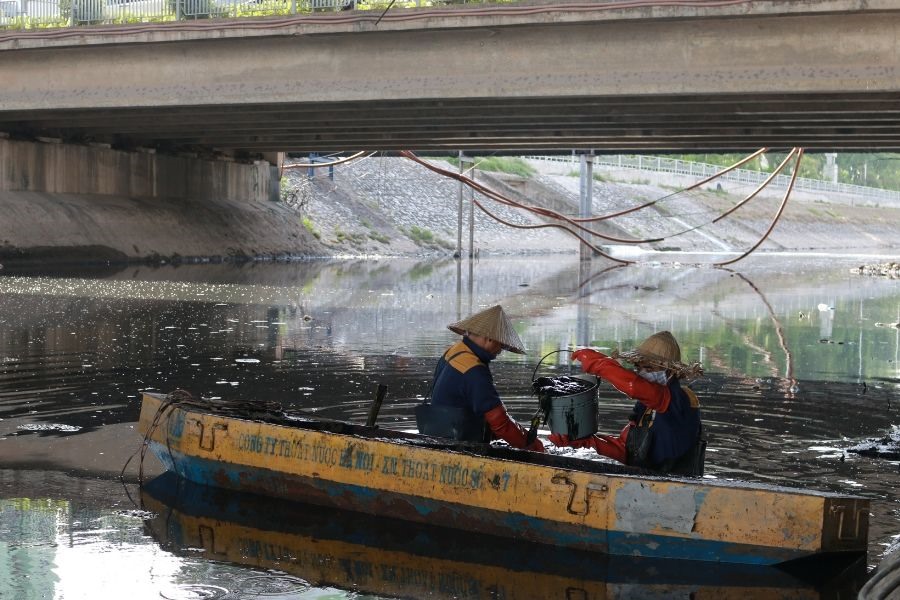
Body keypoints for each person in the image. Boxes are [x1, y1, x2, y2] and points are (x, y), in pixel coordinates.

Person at [550, 331, 702, 472]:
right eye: (638, 367)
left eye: (648, 367)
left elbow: (636, 386)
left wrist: (600, 364)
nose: (641, 372)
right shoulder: (646, 407)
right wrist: (581, 442)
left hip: (677, 490)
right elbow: (625, 451)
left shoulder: (683, 400)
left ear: (669, 370)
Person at [423, 305, 545, 452]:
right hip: (458, 448)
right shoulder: (474, 371)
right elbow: (501, 424)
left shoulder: (453, 351)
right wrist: (534, 446)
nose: (500, 351)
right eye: (501, 344)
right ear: (489, 338)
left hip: (435, 438)